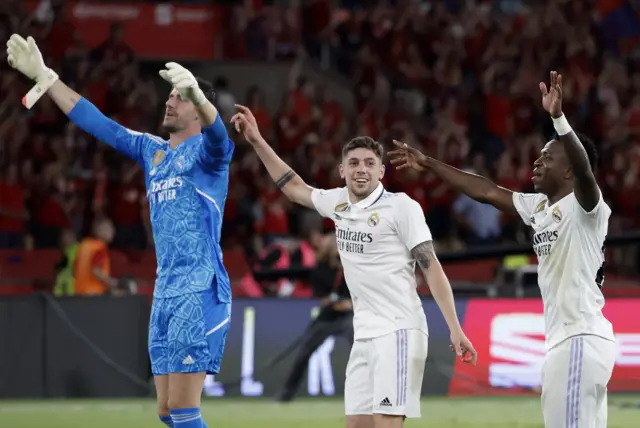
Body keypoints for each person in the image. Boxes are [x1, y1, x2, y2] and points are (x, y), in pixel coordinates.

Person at [7, 34, 234, 428]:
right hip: (165, 290)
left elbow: (221, 140)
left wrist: (197, 93)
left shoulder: (209, 157)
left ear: (198, 108)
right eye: (172, 95)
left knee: (184, 410)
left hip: (199, 290)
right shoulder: (154, 151)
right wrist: (47, 78)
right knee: (165, 411)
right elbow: (100, 124)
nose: (169, 101)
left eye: (178, 98)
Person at [389, 71, 616, 428]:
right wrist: (429, 163)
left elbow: (587, 172)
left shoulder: (586, 207)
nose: (537, 162)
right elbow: (487, 191)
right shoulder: (539, 208)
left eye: (548, 157)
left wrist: (558, 119)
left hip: (579, 340)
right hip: (569, 343)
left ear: (570, 170)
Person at [231, 105, 477, 428]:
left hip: (399, 331)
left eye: (370, 163)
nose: (361, 169)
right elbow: (293, 189)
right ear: (342, 171)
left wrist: (455, 328)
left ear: (381, 172)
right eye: (354, 163)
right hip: (364, 335)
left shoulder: (401, 207)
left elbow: (432, 269)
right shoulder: (338, 204)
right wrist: (257, 140)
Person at [276, 230, 354, 403]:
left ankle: (368, 392)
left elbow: (358, 297)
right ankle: (286, 394)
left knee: (361, 349)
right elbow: (323, 299)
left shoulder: (353, 268)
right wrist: (340, 303)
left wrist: (348, 304)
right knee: (304, 353)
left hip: (348, 317)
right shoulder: (320, 270)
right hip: (326, 318)